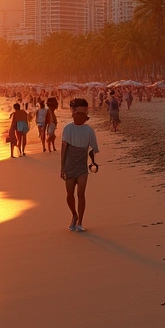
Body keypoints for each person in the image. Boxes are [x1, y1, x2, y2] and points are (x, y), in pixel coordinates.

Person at [60, 98, 99, 232]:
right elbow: (63, 149)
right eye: (80, 112)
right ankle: (74, 215)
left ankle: (80, 221)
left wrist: (93, 161)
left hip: (82, 167)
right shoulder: (68, 128)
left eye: (85, 112)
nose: (83, 115)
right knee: (69, 194)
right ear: (73, 111)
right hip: (70, 166)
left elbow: (92, 149)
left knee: (81, 193)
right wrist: (62, 168)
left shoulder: (88, 130)